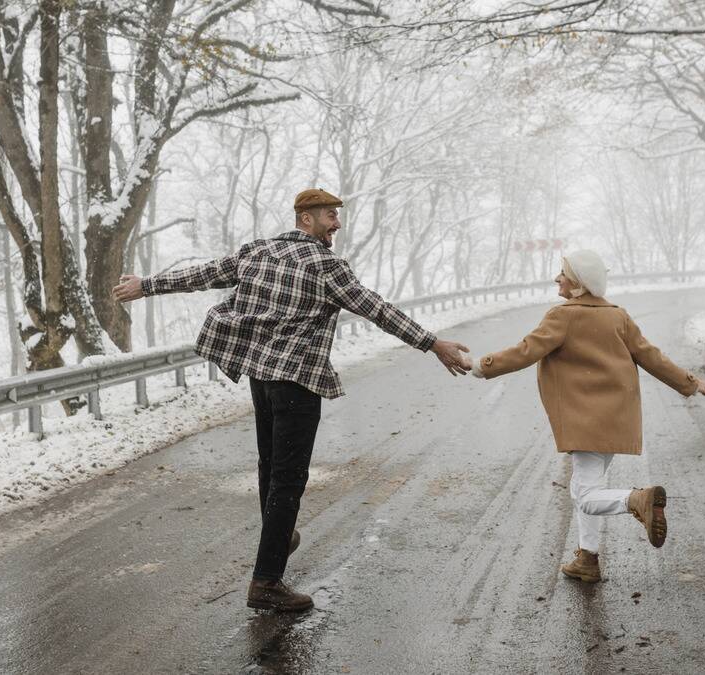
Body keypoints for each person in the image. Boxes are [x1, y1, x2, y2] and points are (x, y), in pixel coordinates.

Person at [112, 188, 471, 611]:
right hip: (297, 381)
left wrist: (147, 286)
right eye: (329, 215)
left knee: (271, 466)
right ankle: (266, 583)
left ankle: (279, 534)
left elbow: (204, 275)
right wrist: (432, 344)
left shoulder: (257, 251)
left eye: (337, 215)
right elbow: (377, 309)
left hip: (261, 379)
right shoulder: (326, 266)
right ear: (306, 218)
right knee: (288, 479)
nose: (336, 223)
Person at [469, 249, 705, 583]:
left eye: (563, 273)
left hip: (584, 421)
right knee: (587, 489)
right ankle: (587, 558)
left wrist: (483, 367)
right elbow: (651, 356)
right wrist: (690, 381)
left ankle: (636, 500)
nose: (557, 278)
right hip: (616, 418)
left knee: (586, 496)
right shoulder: (618, 316)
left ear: (578, 283)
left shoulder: (563, 316)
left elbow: (526, 351)